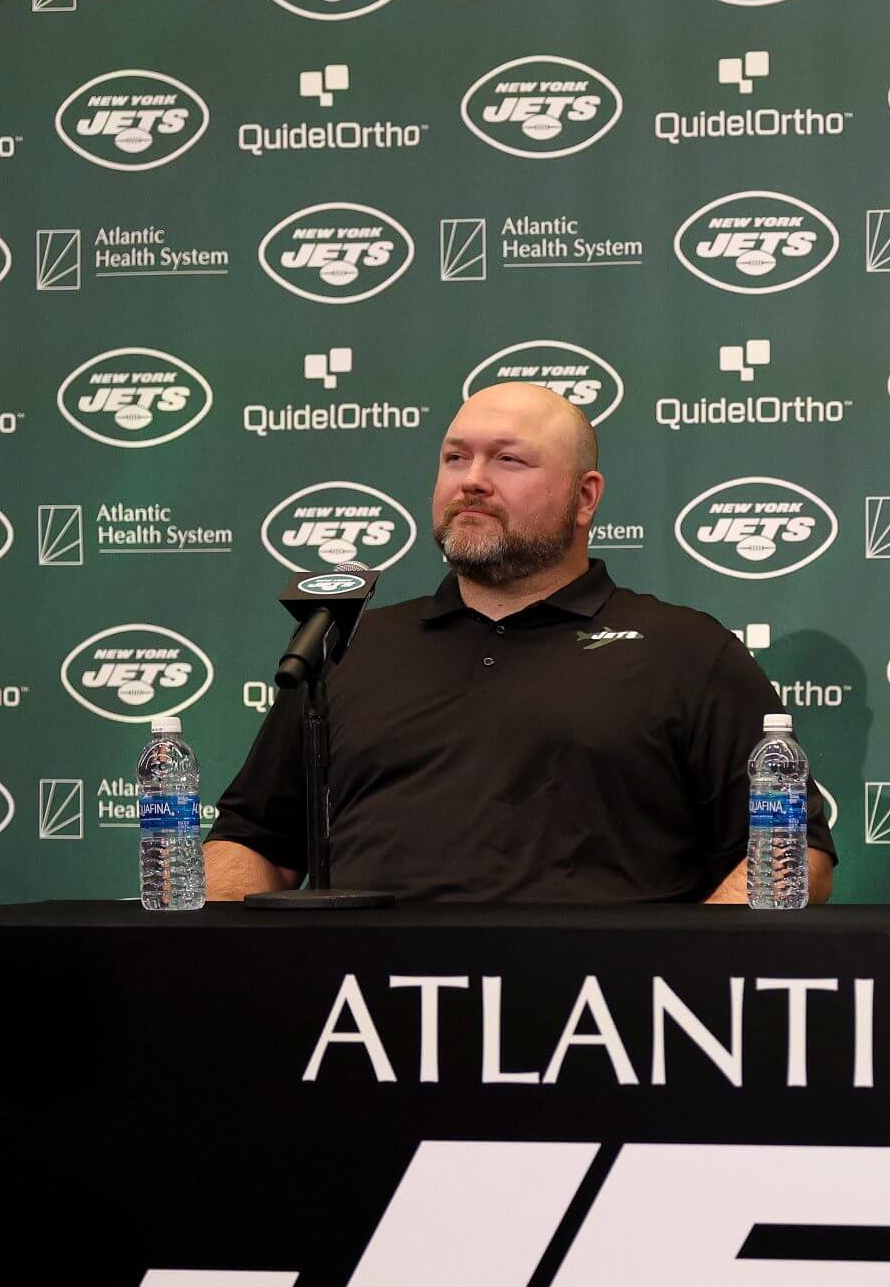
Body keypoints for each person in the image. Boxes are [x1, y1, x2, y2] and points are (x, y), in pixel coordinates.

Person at [205, 383, 835, 903]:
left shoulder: (686, 650)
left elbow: (790, 853)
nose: (472, 481)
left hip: (600, 1020)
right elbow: (252, 840)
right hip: (363, 1018)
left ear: (584, 498)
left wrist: (684, 978)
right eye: (456, 458)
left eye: (508, 460)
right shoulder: (350, 647)